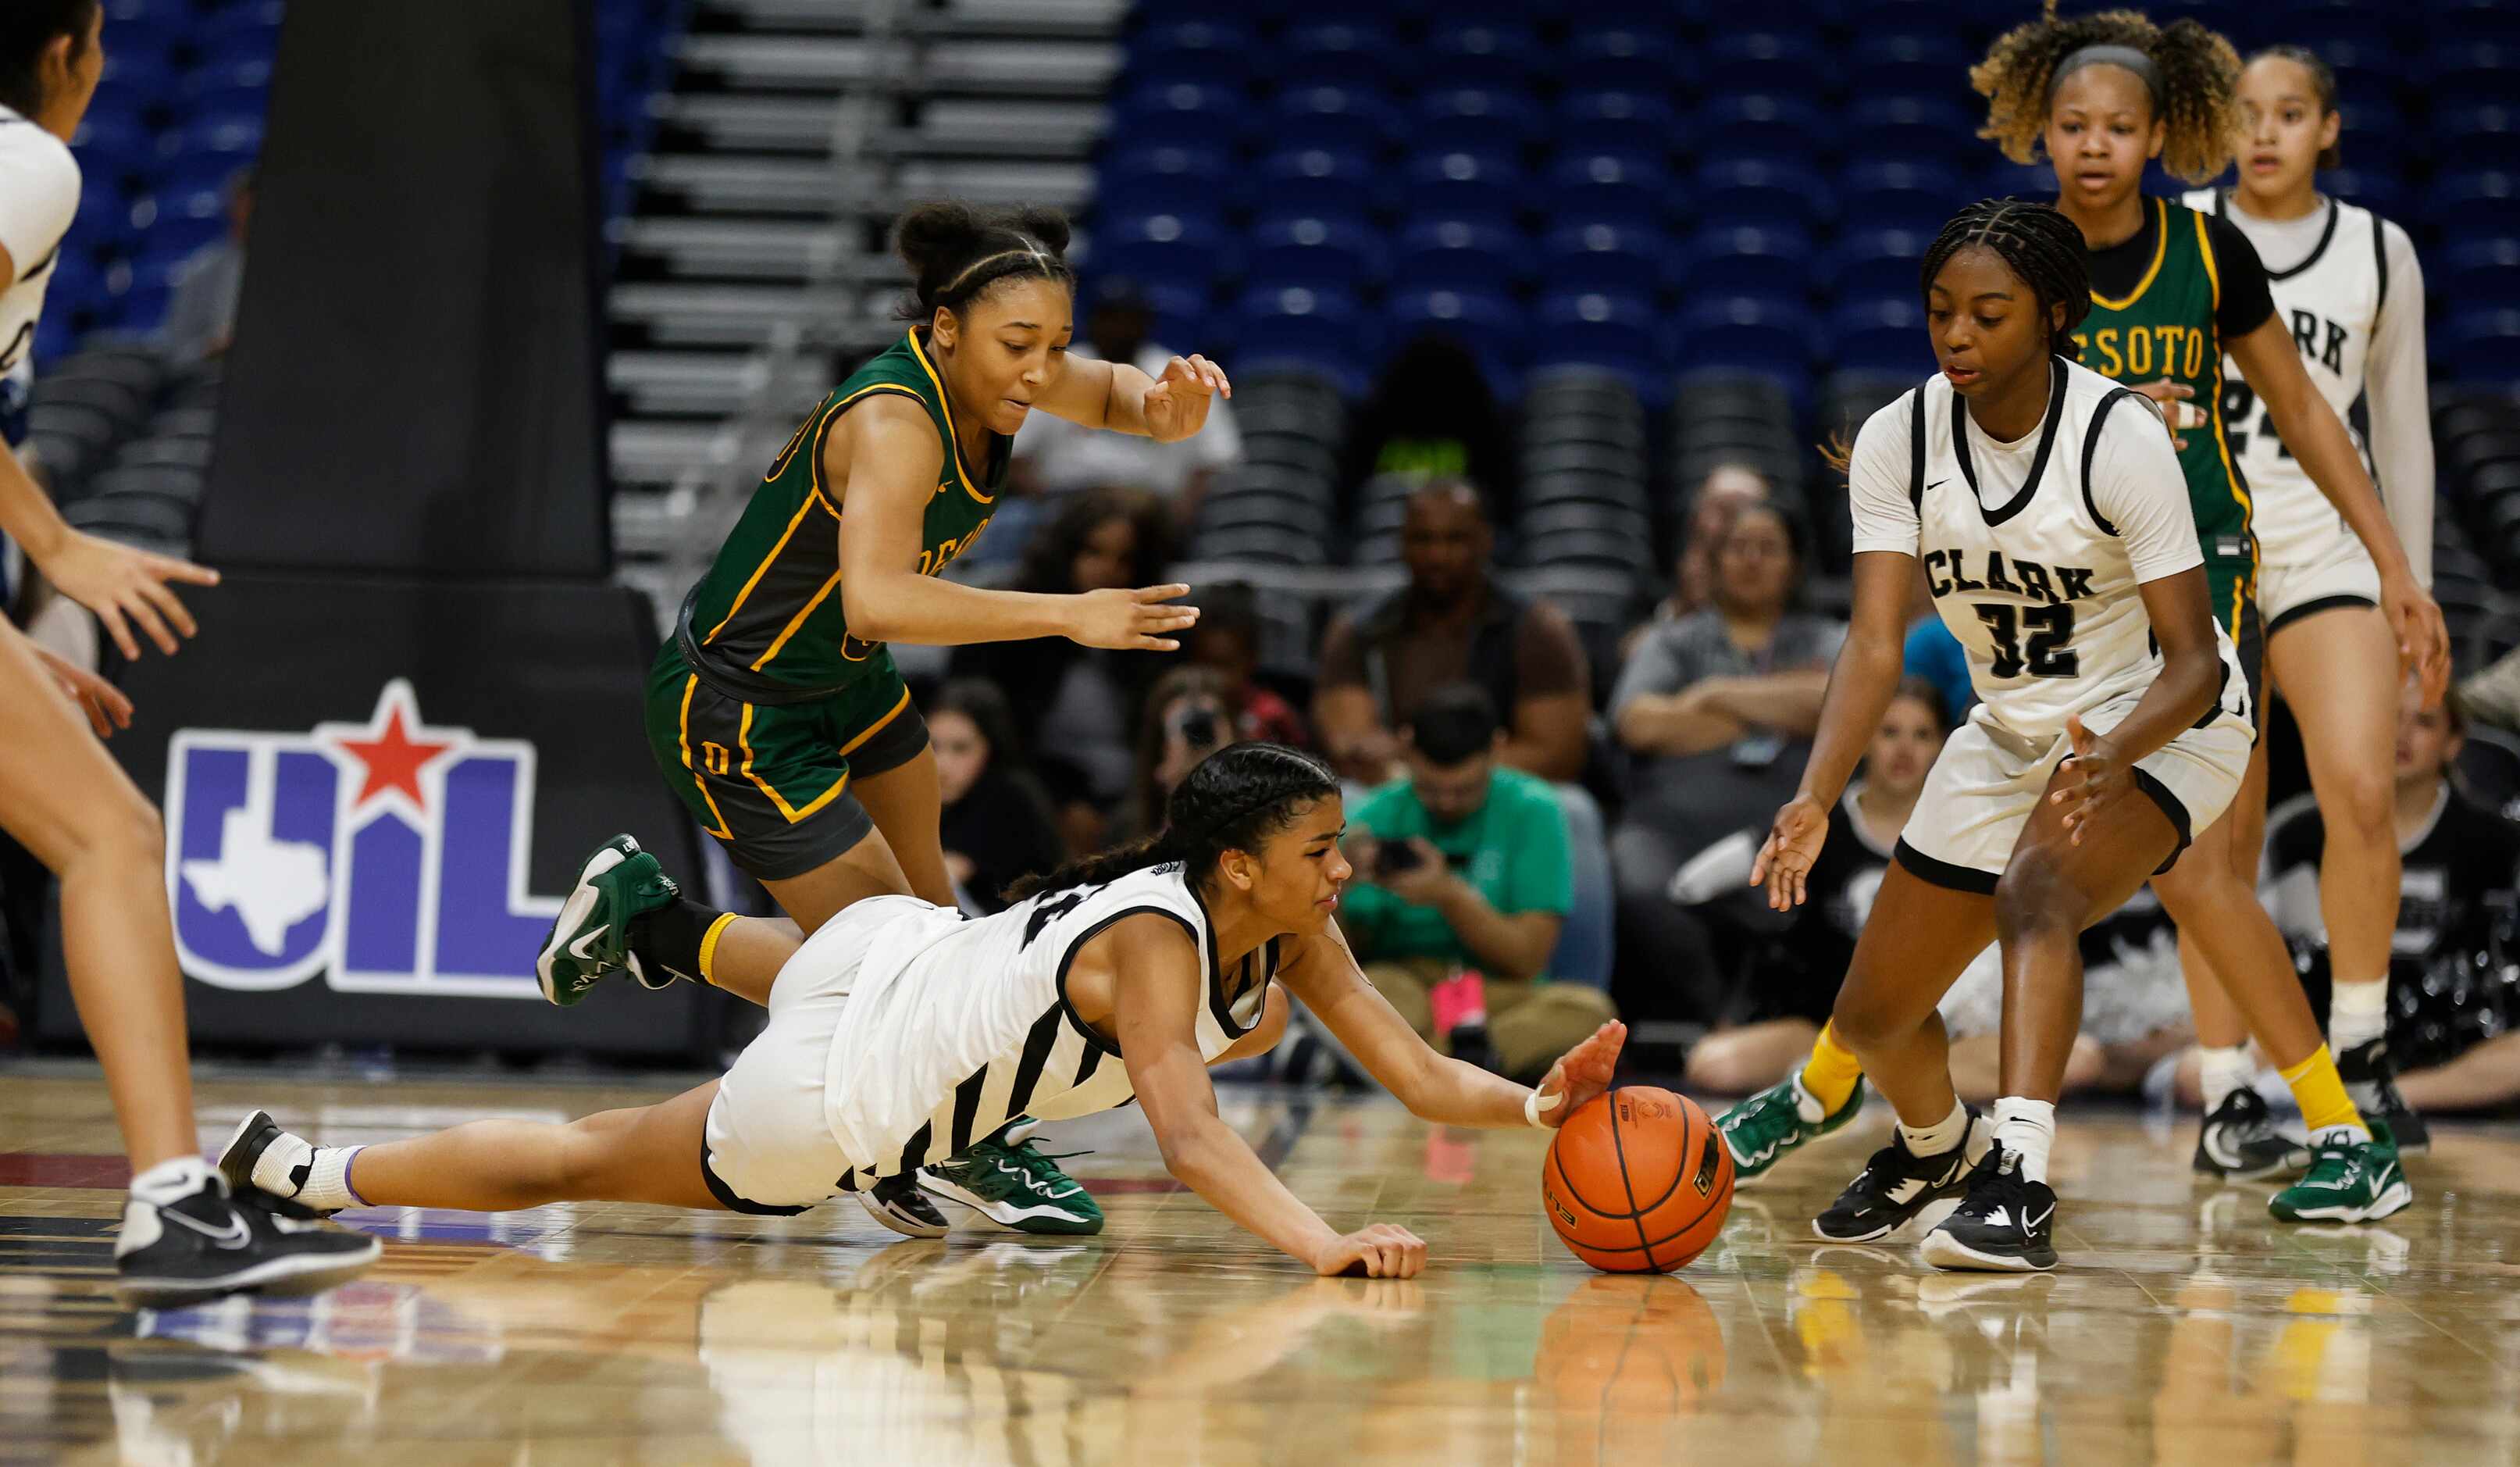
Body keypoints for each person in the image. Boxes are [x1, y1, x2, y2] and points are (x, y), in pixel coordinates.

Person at [225, 744, 1629, 1278]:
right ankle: (309, 1172)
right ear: (1238, 865)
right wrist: (1324, 1242)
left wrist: (1530, 1102)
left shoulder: (1288, 933)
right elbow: (1192, 1141)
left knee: (920, 967)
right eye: (1322, 849)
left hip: (896, 956)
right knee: (590, 1158)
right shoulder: (1160, 939)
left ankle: (656, 923)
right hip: (840, 1099)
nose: (1347, 867)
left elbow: (1417, 1070)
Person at [1749, 200, 2399, 1276]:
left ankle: (2018, 1178)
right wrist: (1816, 793)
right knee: (1873, 1016)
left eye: (1986, 314)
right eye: (1938, 312)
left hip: (2166, 721)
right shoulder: (1895, 437)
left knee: (2036, 894)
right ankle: (1931, 1151)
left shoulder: (2116, 437)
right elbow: (1871, 644)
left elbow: (2194, 661)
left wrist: (2110, 751)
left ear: (2051, 314)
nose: (1956, 335)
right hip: (2010, 728)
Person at [642, 200, 1229, 1238]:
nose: (1038, 371)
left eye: (1052, 344)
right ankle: (956, 1139)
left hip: (846, 679)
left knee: (942, 935)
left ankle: (651, 925)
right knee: (892, 964)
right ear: (944, 330)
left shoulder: (1011, 376)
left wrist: (1163, 411)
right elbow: (875, 598)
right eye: (1017, 346)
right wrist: (1068, 615)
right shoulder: (895, 422)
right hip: (742, 702)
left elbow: (1115, 393)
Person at [1969, 3, 2450, 1173]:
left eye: (2116, 127)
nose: (2092, 145)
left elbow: (2311, 411)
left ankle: (2339, 1071)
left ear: (2153, 135)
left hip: (2231, 560)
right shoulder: (2031, 247)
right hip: (2101, 573)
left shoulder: (2237, 252)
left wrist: (2398, 564)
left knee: (2301, 810)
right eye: (2072, 125)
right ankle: (2231, 1087)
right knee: (2181, 851)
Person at [0, 0, 376, 1302]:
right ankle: (170, 1201)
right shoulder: (27, 159)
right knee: (111, 837)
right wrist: (56, 547)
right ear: (70, 56)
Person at [2171, 44, 2440, 1153]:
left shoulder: (2378, 250)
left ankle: (2361, 1049)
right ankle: (2224, 1082)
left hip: (2324, 537)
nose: (2265, 132)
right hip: (2200, 542)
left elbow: (2401, 431)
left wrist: (2404, 582)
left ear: (2326, 127)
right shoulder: (2176, 229)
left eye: (2289, 113)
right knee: (2213, 827)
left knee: (2359, 793)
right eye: (2245, 112)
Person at [1609, 501, 1844, 1018]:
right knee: (1638, 883)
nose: (1752, 560)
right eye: (1738, 548)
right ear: (1713, 563)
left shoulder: (1829, 638)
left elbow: (1846, 704)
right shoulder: (1669, 641)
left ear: (1794, 565)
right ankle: (1723, 1020)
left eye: (1768, 548)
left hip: (1793, 825)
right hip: (1671, 826)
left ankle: (1787, 1022)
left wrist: (1711, 695)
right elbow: (1640, 723)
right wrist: (1783, 709)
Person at [2251, 687, 2520, 1115]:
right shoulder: (2297, 834)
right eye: (2390, 718)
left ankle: (2383, 1098)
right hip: (2322, 1041)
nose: (2403, 735)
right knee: (2207, 1058)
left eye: (2425, 723)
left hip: (2455, 1051)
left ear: (2453, 743)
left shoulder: (2498, 844)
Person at [1674, 680, 1949, 1095]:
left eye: (1922, 734)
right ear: (1863, 739)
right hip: (1821, 1028)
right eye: (1889, 732)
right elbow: (1690, 886)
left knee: (2072, 1057)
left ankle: (1861, 1082)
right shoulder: (1823, 825)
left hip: (1933, 1029)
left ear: (1945, 746)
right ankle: (1858, 1076)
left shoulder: (1957, 836)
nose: (1905, 749)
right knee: (1712, 1065)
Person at [1334, 684, 1618, 1084]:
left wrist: (1449, 895)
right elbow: (1341, 961)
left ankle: (1424, 1069)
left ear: (1495, 750)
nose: (1447, 803)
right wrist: (1342, 892)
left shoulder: (1534, 810)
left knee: (1588, 1012)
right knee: (1369, 997)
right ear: (1407, 752)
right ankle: (1461, 1069)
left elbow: (1526, 960)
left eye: (1464, 789)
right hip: (1402, 982)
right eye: (1431, 789)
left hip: (1498, 994)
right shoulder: (1370, 816)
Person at [1314, 478, 1590, 787]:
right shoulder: (1359, 631)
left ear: (1486, 541)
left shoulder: (1539, 630)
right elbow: (1351, 744)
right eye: (1423, 539)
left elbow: (1558, 756)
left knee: (1571, 808)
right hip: (1396, 791)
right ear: (1402, 544)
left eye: (1455, 540)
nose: (1438, 556)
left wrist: (1443, 771)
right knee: (1344, 799)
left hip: (1503, 793)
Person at [952, 484, 1180, 853]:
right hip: (1039, 788)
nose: (1109, 569)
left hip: (1138, 792)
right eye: (1094, 552)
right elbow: (993, 730)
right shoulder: (1016, 619)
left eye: (1124, 559)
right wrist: (1063, 797)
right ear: (1066, 551)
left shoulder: (1155, 628)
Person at [1005, 275, 1242, 536]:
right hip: (1066, 505)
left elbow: (1215, 461)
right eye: (1110, 317)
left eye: (1128, 319)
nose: (1119, 328)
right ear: (1091, 321)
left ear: (1146, 323)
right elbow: (1017, 455)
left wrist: (1179, 517)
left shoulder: (1180, 375)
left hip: (1151, 511)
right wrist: (1048, 511)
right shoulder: (1054, 368)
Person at [929, 679, 1064, 915]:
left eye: (960, 748)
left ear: (990, 748)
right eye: (933, 746)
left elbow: (937, 878)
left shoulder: (1011, 799)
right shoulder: (935, 799)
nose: (942, 765)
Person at [1120, 665, 1242, 842]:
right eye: (1188, 726)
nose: (1198, 736)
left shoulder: (1271, 831)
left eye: (1207, 725)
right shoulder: (1125, 832)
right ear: (1159, 749)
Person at [1185, 581, 1309, 748]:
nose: (1216, 678)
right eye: (1205, 665)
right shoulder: (1178, 713)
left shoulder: (1273, 718)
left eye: (1225, 665)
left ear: (1251, 659)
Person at [159, 164, 249, 364]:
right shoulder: (200, 271)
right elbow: (173, 354)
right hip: (205, 380)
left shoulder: (292, 274)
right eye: (245, 203)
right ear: (234, 207)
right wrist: (211, 347)